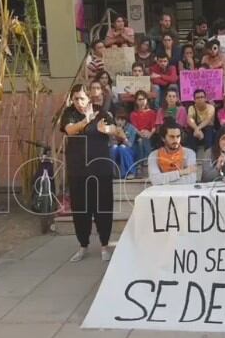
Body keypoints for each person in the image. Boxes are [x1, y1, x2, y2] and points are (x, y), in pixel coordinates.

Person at [60, 84, 117, 262]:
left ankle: (105, 245)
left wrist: (106, 130)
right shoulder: (69, 113)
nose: (78, 102)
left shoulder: (101, 113)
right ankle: (83, 245)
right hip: (78, 170)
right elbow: (70, 130)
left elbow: (115, 130)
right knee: (81, 210)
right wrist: (86, 120)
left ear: (89, 98)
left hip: (100, 169)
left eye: (82, 98)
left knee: (103, 208)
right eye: (75, 98)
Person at [148, 120, 197, 185]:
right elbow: (155, 180)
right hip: (162, 193)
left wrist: (164, 180)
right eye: (172, 137)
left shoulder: (189, 153)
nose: (176, 140)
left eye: (178, 136)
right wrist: (182, 172)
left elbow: (191, 180)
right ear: (163, 138)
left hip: (183, 192)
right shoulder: (154, 155)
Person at [131, 90, 157, 175]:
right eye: (139, 99)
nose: (141, 101)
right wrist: (141, 133)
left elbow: (154, 127)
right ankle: (144, 164)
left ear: (146, 100)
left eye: (143, 99)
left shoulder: (152, 113)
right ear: (136, 101)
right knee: (140, 141)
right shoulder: (133, 114)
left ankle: (142, 165)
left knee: (143, 140)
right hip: (137, 136)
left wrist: (149, 134)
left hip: (150, 136)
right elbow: (134, 128)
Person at [110, 111, 137, 179]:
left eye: (122, 120)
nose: (119, 122)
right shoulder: (112, 128)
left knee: (122, 147)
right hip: (116, 151)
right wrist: (115, 136)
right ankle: (112, 173)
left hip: (129, 151)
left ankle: (130, 172)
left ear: (125, 120)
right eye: (117, 119)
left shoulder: (131, 128)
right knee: (114, 148)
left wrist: (124, 137)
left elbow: (130, 144)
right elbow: (111, 143)